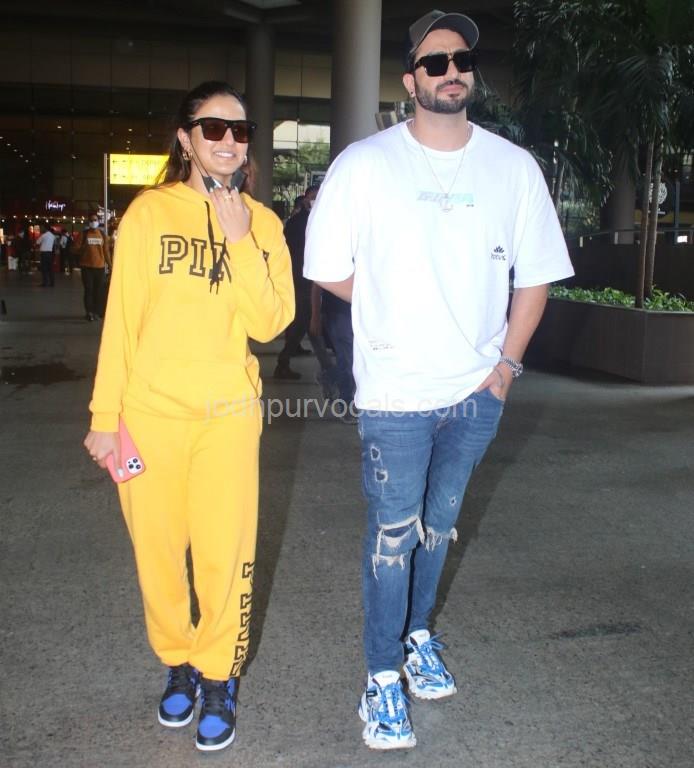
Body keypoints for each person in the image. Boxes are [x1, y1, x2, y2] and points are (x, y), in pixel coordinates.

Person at [304, 9, 574, 750]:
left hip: (476, 391)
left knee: (439, 527)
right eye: (434, 62)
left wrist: (505, 369)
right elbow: (326, 267)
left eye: (461, 60)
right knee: (393, 536)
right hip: (395, 392)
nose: (451, 71)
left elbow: (537, 277)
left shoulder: (512, 168)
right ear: (410, 80)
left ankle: (417, 635)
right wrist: (394, 305)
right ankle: (381, 676)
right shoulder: (366, 164)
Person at [83, 80, 294, 753]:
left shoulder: (263, 223)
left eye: (240, 131)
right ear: (185, 138)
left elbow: (271, 322)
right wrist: (104, 416)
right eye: (213, 129)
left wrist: (239, 240)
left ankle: (218, 674)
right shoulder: (148, 214)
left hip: (226, 416)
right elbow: (121, 322)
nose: (229, 142)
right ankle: (177, 658)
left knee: (225, 554)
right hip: (148, 416)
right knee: (157, 555)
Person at [273, 185, 319, 379]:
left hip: (301, 275)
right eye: (313, 197)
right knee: (303, 317)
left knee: (301, 317)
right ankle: (283, 362)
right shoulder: (304, 221)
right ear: (306, 199)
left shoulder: (302, 220)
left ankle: (293, 349)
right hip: (301, 277)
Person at [79, 214, 111, 320]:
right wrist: (81, 248)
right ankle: (89, 312)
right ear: (89, 222)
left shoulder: (102, 234)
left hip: (100, 267)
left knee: (98, 291)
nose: (94, 222)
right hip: (86, 267)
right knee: (89, 290)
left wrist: (110, 266)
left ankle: (96, 312)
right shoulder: (84, 234)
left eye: (95, 220)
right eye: (92, 220)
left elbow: (106, 252)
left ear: (98, 221)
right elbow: (74, 249)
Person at [35, 222, 56, 287]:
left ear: (45, 228)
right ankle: (52, 282)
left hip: (44, 253)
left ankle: (45, 283)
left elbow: (37, 242)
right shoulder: (53, 236)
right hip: (50, 253)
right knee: (50, 268)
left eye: (43, 228)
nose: (42, 229)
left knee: (44, 268)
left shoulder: (43, 235)